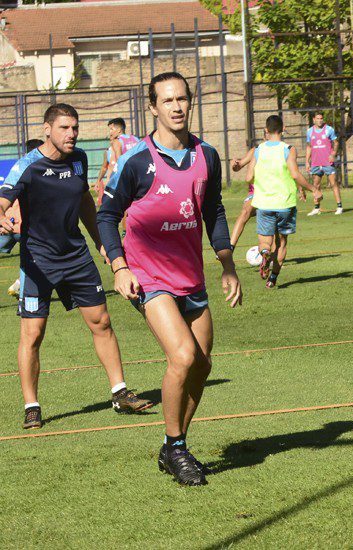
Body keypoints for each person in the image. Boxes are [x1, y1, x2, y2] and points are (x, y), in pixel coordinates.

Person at [98, 72, 241, 486]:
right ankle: (176, 449)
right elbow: (107, 216)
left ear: (190, 102)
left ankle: (173, 446)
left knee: (202, 364)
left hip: (190, 277)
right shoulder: (136, 160)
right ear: (153, 107)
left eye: (182, 98)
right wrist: (120, 267)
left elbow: (212, 210)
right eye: (167, 100)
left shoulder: (207, 155)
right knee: (182, 356)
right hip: (147, 276)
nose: (176, 106)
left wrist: (227, 263)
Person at [0, 104, 152, 430]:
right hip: (38, 259)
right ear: (47, 129)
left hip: (76, 256)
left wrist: (102, 242)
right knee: (33, 333)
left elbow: (84, 201)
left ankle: (120, 392)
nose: (71, 134)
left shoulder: (80, 159)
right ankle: (31, 406)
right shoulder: (27, 166)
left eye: (75, 128)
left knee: (102, 322)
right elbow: (4, 198)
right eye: (64, 128)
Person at [245, 115, 322, 288]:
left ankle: (264, 253)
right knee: (281, 243)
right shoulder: (288, 149)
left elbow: (248, 177)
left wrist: (261, 180)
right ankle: (273, 279)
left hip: (264, 203)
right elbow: (295, 174)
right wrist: (313, 189)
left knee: (265, 241)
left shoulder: (258, 149)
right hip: (285, 204)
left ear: (266, 130)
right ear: (283, 128)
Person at [3, 139, 43, 297]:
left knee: (32, 261)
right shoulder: (34, 171)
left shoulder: (17, 169)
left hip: (8, 225)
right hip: (23, 227)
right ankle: (22, 294)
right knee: (37, 261)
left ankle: (21, 289)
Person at [93, 118, 139, 205]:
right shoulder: (136, 139)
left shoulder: (117, 142)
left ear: (119, 130)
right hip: (138, 177)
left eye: (111, 129)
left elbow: (120, 161)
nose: (110, 132)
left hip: (124, 180)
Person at [305, 112, 343, 216]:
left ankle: (339, 206)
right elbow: (309, 147)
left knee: (333, 183)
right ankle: (316, 208)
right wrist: (307, 162)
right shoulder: (309, 132)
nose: (320, 120)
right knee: (316, 185)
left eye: (321, 118)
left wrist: (333, 154)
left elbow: (336, 142)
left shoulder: (329, 130)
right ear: (314, 119)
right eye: (318, 118)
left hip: (327, 162)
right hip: (316, 163)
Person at [228, 140, 259, 250]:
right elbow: (239, 166)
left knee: (273, 228)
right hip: (255, 193)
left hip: (272, 193)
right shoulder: (256, 151)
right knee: (245, 211)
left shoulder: (281, 151)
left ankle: (273, 260)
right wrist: (235, 165)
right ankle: (230, 247)